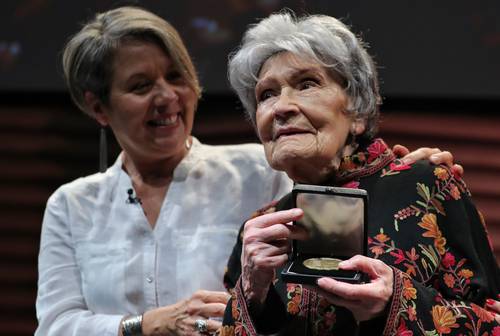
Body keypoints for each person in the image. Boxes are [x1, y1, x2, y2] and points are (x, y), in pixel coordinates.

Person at [34, 5, 465, 336]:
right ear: (98, 107)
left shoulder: (262, 170)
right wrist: (149, 323)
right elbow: (54, 325)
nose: (166, 97)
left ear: (356, 106)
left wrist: (407, 174)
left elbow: (336, 172)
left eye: (176, 76)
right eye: (141, 86)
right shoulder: (72, 205)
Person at [221, 11, 500, 335]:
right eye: (266, 95)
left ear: (357, 112)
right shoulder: (258, 231)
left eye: (306, 84)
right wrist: (254, 295)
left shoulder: (428, 185)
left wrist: (395, 299)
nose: (281, 107)